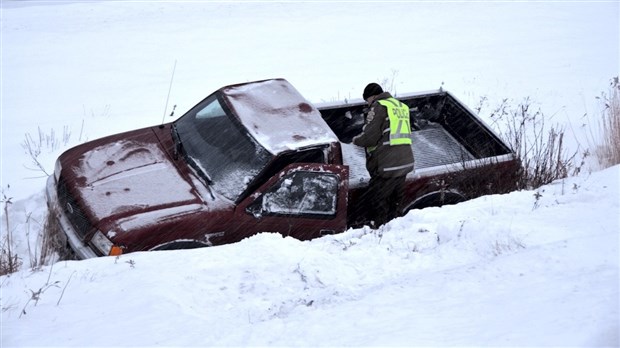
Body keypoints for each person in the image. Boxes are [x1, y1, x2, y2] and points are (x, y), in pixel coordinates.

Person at [352, 82, 415, 228]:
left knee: (379, 204)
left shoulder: (379, 106)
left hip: (387, 166)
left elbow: (370, 137)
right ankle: (393, 231)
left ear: (373, 96)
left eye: (367, 100)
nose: (367, 104)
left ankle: (379, 234)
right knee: (395, 205)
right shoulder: (401, 106)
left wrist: (355, 140)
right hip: (404, 163)